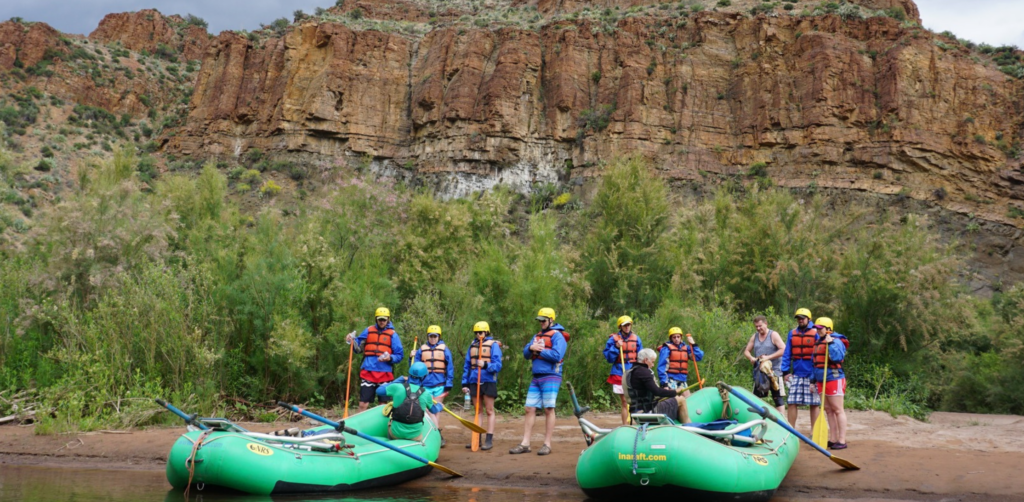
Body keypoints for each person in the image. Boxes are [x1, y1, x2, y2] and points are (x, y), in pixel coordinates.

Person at [510, 307, 568, 456]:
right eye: (540, 320)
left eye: (543, 320)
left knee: (549, 409)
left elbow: (557, 355)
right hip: (536, 376)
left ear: (551, 320)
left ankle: (547, 444)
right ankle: (525, 443)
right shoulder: (537, 336)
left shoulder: (558, 336)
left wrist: (539, 350)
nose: (541, 322)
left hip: (551, 376)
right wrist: (531, 347)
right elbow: (525, 353)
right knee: (529, 408)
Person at [346, 307, 405, 412]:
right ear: (376, 319)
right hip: (368, 371)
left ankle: (381, 426)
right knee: (363, 403)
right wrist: (351, 340)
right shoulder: (369, 330)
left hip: (385, 373)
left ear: (388, 319)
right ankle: (360, 425)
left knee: (382, 405)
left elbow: (399, 355)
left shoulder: (393, 335)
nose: (382, 322)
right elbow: (357, 347)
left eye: (384, 319)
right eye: (379, 319)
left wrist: (390, 357)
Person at [375, 362, 444, 441]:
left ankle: (391, 442)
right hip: (414, 435)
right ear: (423, 377)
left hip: (395, 434)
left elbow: (379, 391)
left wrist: (396, 381)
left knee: (390, 424)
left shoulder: (397, 387)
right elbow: (434, 410)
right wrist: (439, 406)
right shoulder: (426, 394)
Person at [461, 321, 503, 451]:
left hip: (488, 380)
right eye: (476, 332)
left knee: (489, 410)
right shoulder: (472, 346)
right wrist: (465, 383)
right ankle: (476, 438)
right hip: (474, 380)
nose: (479, 334)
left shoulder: (493, 346)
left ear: (486, 332)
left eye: (481, 332)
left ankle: (489, 439)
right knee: (477, 411)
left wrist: (485, 365)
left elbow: (498, 366)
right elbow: (467, 365)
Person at [811, 317, 850, 450]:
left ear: (828, 329)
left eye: (820, 328)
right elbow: (814, 363)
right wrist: (812, 381)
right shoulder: (818, 342)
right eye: (816, 328)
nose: (817, 330)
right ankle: (833, 439)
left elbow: (838, 357)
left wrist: (831, 344)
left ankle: (842, 440)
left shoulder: (836, 341)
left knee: (837, 409)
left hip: (834, 378)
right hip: (821, 379)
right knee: (828, 409)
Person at [779, 308, 820, 429]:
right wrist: (785, 372)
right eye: (798, 318)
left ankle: (814, 431)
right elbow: (787, 353)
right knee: (791, 402)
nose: (800, 320)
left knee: (814, 404)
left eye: (803, 318)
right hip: (796, 373)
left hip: (812, 373)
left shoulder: (816, 333)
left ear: (809, 319)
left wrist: (816, 374)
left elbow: (819, 354)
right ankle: (791, 430)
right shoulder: (792, 333)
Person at [623, 348, 690, 424]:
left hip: (635, 410)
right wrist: (675, 392)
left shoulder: (630, 371)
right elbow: (657, 391)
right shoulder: (644, 372)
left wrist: (668, 394)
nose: (653, 365)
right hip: (647, 411)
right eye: (652, 362)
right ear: (646, 360)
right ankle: (689, 427)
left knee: (670, 399)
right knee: (681, 399)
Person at [413, 325, 453, 446]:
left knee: (436, 411)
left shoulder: (444, 349)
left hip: (440, 384)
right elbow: (414, 367)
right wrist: (412, 357)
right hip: (425, 385)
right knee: (428, 411)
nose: (433, 339)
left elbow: (450, 367)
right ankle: (433, 433)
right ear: (428, 337)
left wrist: (449, 383)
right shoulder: (421, 349)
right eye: (431, 336)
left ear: (439, 337)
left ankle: (437, 434)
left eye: (435, 336)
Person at [743, 315, 787, 414]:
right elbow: (746, 351)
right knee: (757, 398)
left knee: (778, 399)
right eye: (756, 327)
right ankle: (759, 420)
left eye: (760, 326)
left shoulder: (773, 335)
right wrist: (751, 358)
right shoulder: (755, 336)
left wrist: (768, 357)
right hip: (760, 373)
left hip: (774, 372)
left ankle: (781, 423)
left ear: (766, 324)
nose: (758, 328)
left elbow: (784, 349)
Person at [604, 316, 643, 426]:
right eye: (624, 325)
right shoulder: (613, 339)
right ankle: (626, 426)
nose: (627, 327)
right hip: (619, 373)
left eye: (628, 325)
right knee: (625, 402)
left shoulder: (636, 338)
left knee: (635, 402)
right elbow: (609, 358)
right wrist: (616, 347)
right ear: (620, 326)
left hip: (633, 373)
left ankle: (637, 425)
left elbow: (641, 356)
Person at [656, 328, 703, 397]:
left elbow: (699, 357)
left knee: (688, 399)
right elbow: (661, 367)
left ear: (681, 337)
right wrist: (664, 383)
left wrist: (694, 345)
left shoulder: (686, 348)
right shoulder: (666, 349)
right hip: (670, 379)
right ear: (671, 338)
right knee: (674, 400)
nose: (676, 339)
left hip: (682, 379)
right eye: (674, 337)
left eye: (678, 337)